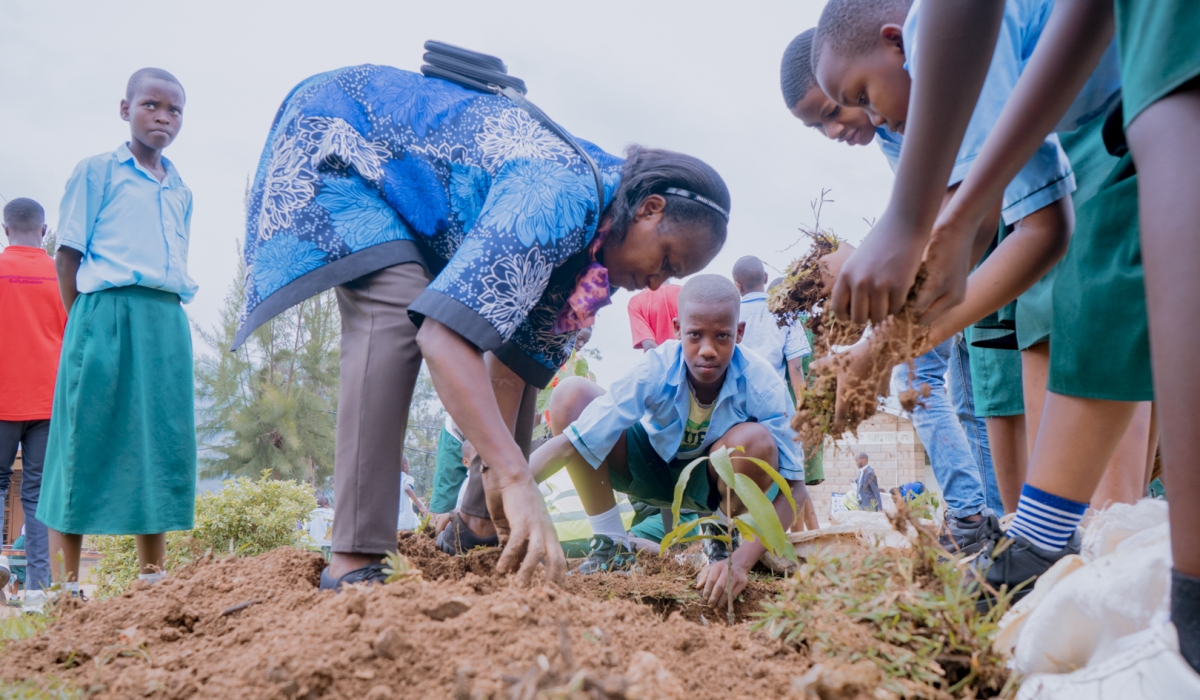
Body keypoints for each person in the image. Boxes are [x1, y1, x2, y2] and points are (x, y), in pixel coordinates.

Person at [237, 65, 733, 589]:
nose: (657, 284)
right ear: (650, 211)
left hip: (412, 200)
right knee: (393, 314)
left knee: (519, 363)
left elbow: (517, 364)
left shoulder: (592, 267)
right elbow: (443, 334)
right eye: (668, 261)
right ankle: (356, 559)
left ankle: (475, 525)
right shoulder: (558, 195)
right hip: (345, 144)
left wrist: (496, 478)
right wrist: (515, 476)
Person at [863, 0, 1200, 685]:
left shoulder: (934, 35)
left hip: (1132, 103)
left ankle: (1181, 600)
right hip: (1108, 116)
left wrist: (922, 221)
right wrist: (952, 228)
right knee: (1103, 291)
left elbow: (1037, 228)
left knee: (1167, 121)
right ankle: (1042, 542)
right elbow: (1041, 225)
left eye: (856, 99)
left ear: (893, 44)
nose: (869, 124)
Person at [781, 27, 1010, 516]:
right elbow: (921, 213)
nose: (834, 132)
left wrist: (876, 345)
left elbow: (961, 219)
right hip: (965, 250)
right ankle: (987, 517)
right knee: (966, 393)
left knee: (928, 373)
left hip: (990, 245)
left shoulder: (930, 90)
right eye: (816, 128)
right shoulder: (890, 127)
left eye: (835, 111)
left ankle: (974, 513)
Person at [529, 275, 811, 607]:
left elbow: (796, 489)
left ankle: (719, 542)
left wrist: (742, 562)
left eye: (722, 336)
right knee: (571, 396)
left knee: (757, 441)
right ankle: (612, 544)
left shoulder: (763, 384)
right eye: (695, 335)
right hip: (645, 468)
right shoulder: (656, 368)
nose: (708, 350)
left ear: (739, 333)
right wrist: (502, 487)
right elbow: (570, 443)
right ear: (677, 330)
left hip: (709, 485)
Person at [40, 68, 197, 593]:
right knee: (84, 439)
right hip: (103, 313)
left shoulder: (180, 188)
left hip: (165, 320)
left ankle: (153, 582)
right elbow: (67, 257)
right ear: (125, 109)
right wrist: (81, 328)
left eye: (174, 110)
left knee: (160, 440)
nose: (163, 117)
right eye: (151, 105)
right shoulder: (97, 172)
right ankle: (65, 591)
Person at [0, 198, 63, 597]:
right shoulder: (63, 274)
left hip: (3, 399)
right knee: (39, 493)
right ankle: (40, 591)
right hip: (49, 403)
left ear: (6, 230)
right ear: (43, 231)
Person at [732, 256, 818, 530]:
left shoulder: (731, 312)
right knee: (791, 478)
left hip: (736, 410)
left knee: (741, 476)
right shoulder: (784, 313)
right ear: (766, 278)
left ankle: (739, 537)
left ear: (737, 285)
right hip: (775, 407)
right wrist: (803, 409)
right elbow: (795, 367)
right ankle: (796, 543)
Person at [627, 283, 682, 351]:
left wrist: (668, 360)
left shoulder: (636, 302)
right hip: (688, 357)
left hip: (658, 360)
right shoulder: (684, 292)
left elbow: (649, 345)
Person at [397, 454, 429, 532]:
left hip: (393, 522)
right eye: (409, 465)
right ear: (405, 467)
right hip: (405, 522)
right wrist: (420, 507)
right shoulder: (407, 478)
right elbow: (407, 488)